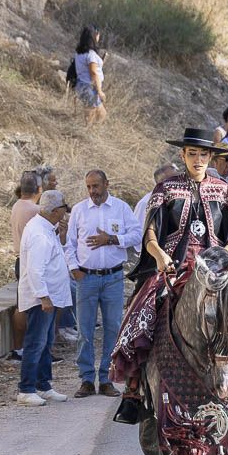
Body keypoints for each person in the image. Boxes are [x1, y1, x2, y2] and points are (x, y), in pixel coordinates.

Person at [112, 127, 228, 423]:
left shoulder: (224, 190)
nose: (197, 159)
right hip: (173, 265)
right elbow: (151, 233)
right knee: (140, 311)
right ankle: (134, 390)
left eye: (203, 154)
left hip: (217, 265)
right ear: (183, 155)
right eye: (191, 154)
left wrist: (226, 256)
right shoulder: (165, 189)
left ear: (211, 156)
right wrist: (160, 255)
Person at [67, 170, 141, 399]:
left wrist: (111, 239)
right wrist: (74, 269)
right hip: (86, 278)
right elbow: (69, 244)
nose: (93, 191)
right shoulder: (79, 211)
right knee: (85, 331)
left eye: (96, 186)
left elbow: (137, 234)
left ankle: (107, 379)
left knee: (112, 329)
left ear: (107, 184)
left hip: (113, 278)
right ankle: (87, 379)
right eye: (89, 187)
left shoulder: (121, 208)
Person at [15, 191, 73, 406]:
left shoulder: (46, 229)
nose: (64, 213)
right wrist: (44, 297)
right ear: (55, 210)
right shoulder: (39, 233)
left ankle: (43, 385)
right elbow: (34, 270)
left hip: (50, 296)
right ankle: (26, 388)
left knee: (46, 342)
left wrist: (62, 237)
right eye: (63, 209)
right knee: (35, 342)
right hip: (42, 298)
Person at [9, 171, 43, 357]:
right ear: (39, 189)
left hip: (20, 259)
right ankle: (39, 348)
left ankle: (18, 347)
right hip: (32, 260)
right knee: (37, 305)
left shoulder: (17, 206)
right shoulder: (34, 210)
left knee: (21, 305)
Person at [72, 25, 106, 125]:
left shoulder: (79, 53)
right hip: (89, 87)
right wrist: (100, 91)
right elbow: (93, 73)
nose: (99, 36)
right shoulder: (91, 54)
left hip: (82, 85)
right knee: (92, 115)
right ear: (93, 36)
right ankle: (86, 134)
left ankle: (90, 132)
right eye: (98, 34)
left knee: (101, 114)